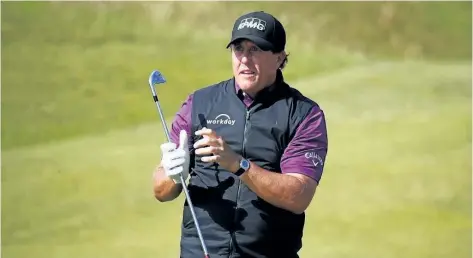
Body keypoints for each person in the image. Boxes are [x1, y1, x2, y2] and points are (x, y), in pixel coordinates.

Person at [153, 10, 329, 258]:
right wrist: (172, 175)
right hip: (201, 252)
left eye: (255, 49)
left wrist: (237, 163)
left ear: (279, 58)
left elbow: (297, 196)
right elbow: (160, 191)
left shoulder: (303, 114)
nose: (244, 59)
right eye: (238, 49)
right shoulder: (200, 103)